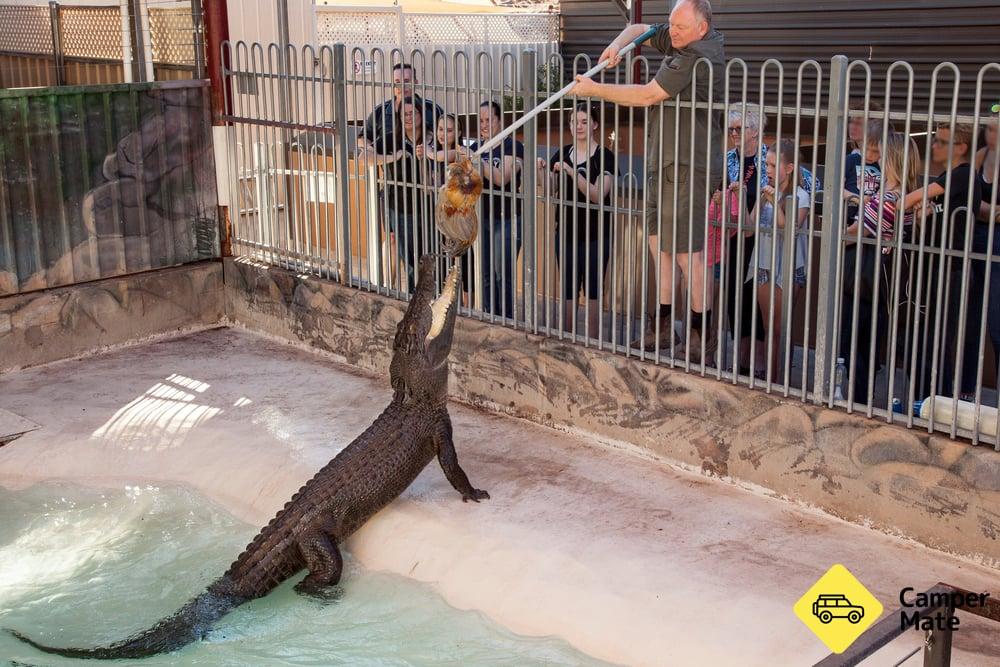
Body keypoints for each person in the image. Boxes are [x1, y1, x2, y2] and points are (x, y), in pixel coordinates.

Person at [572, 0, 725, 362]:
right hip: (663, 160)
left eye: (680, 28)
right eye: (673, 25)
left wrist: (594, 90)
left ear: (701, 29)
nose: (673, 33)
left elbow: (647, 94)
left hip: (690, 165)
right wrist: (618, 45)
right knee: (660, 247)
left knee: (690, 256)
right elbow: (642, 30)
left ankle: (702, 337)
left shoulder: (697, 56)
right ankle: (662, 327)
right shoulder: (681, 36)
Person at [716, 103, 819, 374]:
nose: (734, 134)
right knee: (738, 300)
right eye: (730, 129)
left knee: (773, 321)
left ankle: (768, 367)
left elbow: (808, 184)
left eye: (739, 129)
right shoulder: (728, 159)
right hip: (743, 238)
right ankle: (743, 359)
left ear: (755, 130)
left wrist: (791, 200)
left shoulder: (771, 157)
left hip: (777, 249)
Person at [902, 122, 983, 400]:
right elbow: (928, 217)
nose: (934, 146)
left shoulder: (962, 176)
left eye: (940, 142)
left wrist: (899, 203)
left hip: (952, 269)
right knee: (924, 340)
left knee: (936, 341)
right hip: (936, 267)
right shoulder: (950, 180)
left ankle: (937, 402)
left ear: (959, 148)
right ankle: (926, 401)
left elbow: (909, 200)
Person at [841, 131, 919, 404]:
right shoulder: (902, 194)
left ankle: (859, 399)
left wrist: (836, 231)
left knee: (857, 342)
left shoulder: (889, 198)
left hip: (866, 278)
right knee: (868, 341)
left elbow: (855, 232)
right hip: (879, 280)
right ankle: (862, 395)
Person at [537, 102, 618, 338]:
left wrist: (573, 172)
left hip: (596, 234)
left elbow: (598, 195)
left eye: (584, 121)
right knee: (569, 291)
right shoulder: (563, 153)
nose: (578, 126)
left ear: (594, 124)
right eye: (574, 122)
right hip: (566, 232)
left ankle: (592, 345)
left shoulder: (604, 156)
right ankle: (568, 341)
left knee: (593, 292)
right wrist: (542, 171)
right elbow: (550, 189)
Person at [746, 139, 811, 380]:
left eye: (773, 166)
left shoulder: (801, 195)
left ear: (789, 168)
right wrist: (740, 198)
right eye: (767, 165)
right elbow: (748, 229)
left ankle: (780, 379)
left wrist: (773, 201)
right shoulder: (766, 191)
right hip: (763, 261)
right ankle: (771, 381)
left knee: (780, 328)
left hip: (788, 265)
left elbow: (789, 231)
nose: (768, 170)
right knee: (768, 328)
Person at [358, 97, 432, 292]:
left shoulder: (431, 138)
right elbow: (363, 158)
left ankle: (428, 298)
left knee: (428, 257)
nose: (408, 117)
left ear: (421, 115)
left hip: (428, 208)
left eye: (412, 113)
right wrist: (392, 157)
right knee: (409, 260)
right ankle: (412, 299)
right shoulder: (392, 139)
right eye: (404, 114)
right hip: (399, 208)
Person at [467, 100, 525, 318]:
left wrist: (479, 164)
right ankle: (489, 316)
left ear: (501, 121)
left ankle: (506, 320)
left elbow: (503, 178)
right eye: (480, 120)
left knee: (503, 274)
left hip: (508, 218)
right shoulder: (475, 148)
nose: (483, 125)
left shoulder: (513, 146)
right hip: (482, 219)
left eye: (489, 120)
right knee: (485, 273)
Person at [358, 63, 441, 154]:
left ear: (415, 82)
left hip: (428, 167)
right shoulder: (380, 111)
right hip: (390, 167)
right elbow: (362, 138)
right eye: (397, 82)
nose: (402, 86)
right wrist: (373, 151)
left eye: (406, 81)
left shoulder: (432, 109)